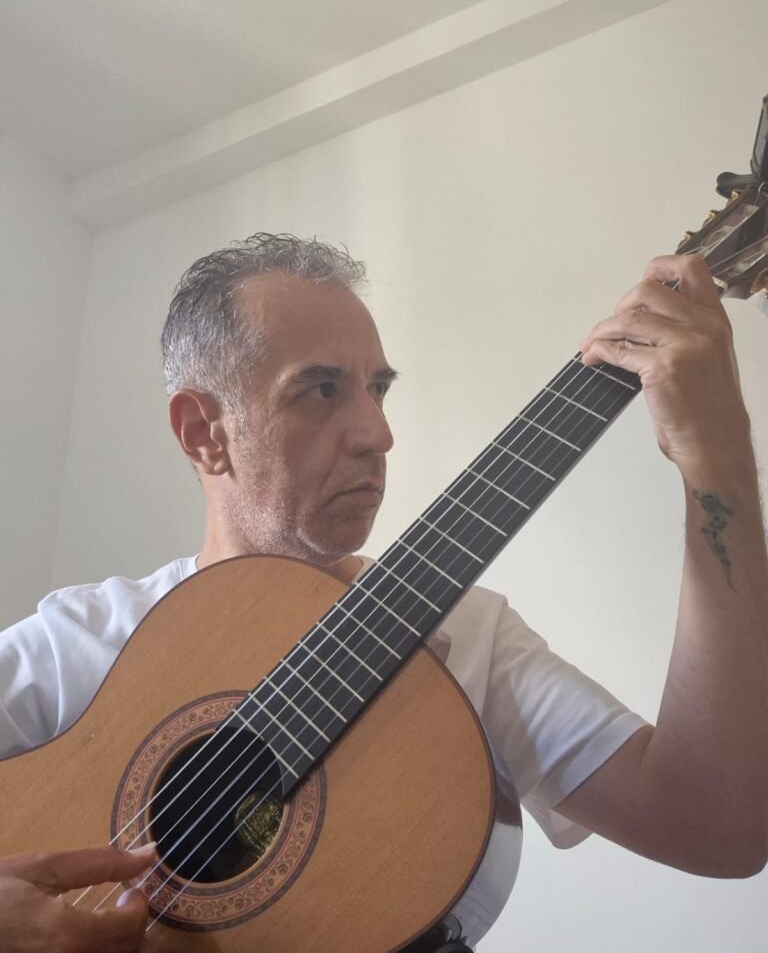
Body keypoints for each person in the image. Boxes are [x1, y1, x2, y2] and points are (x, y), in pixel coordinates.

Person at [0, 233, 765, 952]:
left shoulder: (468, 637)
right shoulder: (81, 641)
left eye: (377, 389)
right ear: (204, 432)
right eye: (320, 391)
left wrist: (718, 462)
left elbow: (717, 827)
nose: (377, 433)